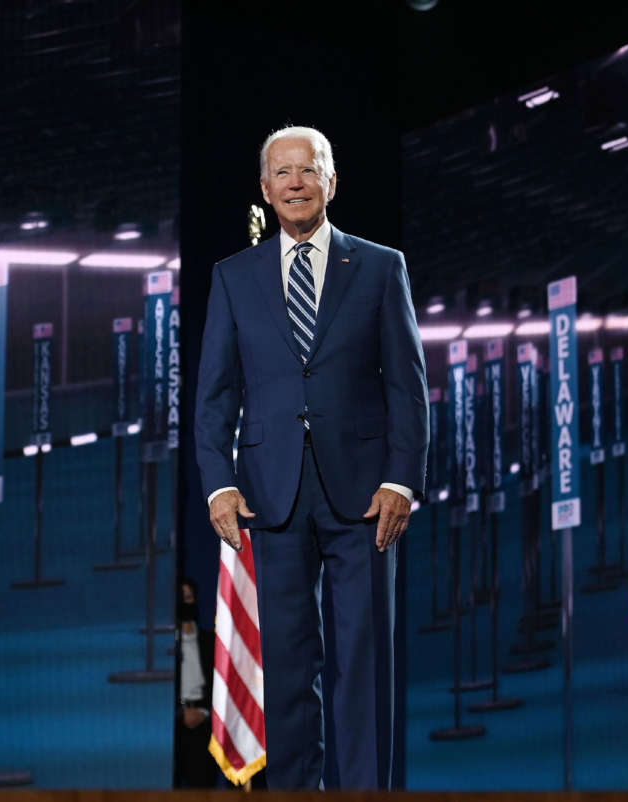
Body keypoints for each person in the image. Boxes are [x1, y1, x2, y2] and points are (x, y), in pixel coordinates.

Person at [194, 125, 429, 790]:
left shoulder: (382, 267)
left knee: (362, 659)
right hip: (271, 494)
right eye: (282, 172)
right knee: (290, 663)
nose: (295, 182)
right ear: (266, 190)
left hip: (364, 495)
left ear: (332, 181)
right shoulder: (233, 277)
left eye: (308, 170)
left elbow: (407, 388)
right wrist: (218, 485)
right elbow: (214, 395)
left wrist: (402, 481)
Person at [173, 578, 218, 788]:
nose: (186, 604)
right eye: (181, 599)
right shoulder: (167, 646)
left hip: (205, 725)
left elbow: (221, 686)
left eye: (189, 598)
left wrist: (205, 712)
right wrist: (181, 713)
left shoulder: (212, 642)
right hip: (172, 726)